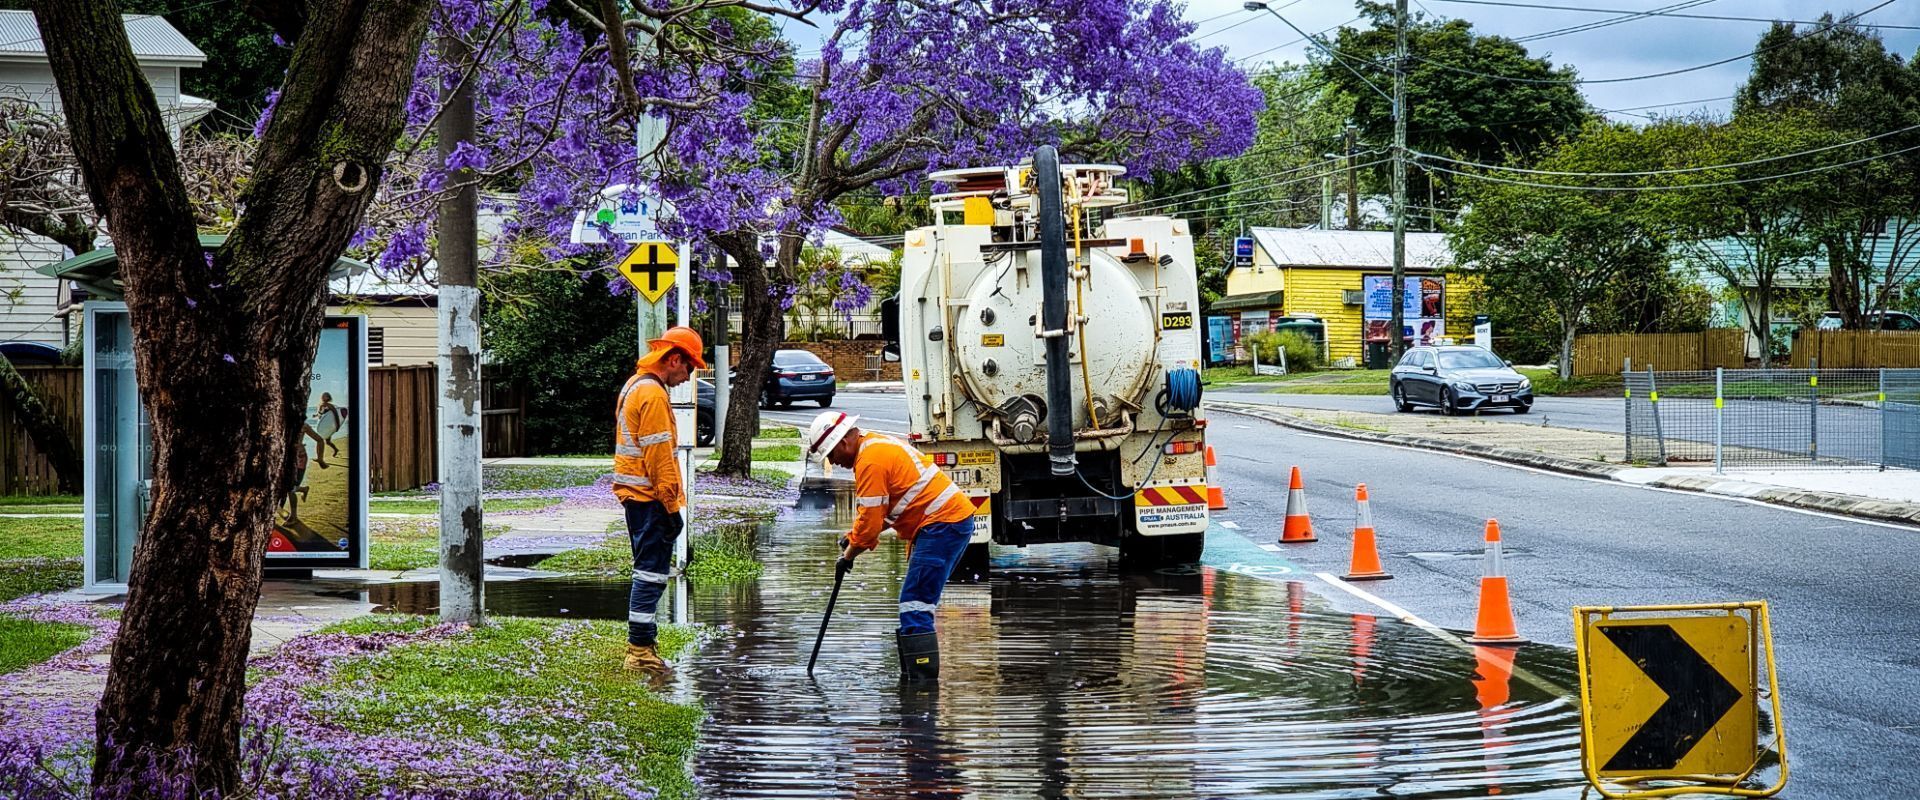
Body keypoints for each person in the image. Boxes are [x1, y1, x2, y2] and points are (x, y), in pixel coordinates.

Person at [805, 411, 975, 683]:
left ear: (843, 443)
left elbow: (871, 524)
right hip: (945, 524)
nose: (833, 462)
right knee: (916, 604)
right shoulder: (874, 446)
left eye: (831, 454)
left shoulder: (869, 461)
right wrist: (853, 537)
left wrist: (848, 556)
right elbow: (883, 512)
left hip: (941, 525)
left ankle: (921, 691)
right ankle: (912, 680)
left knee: (915, 605)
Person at [614, 326, 705, 679]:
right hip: (650, 499)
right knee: (650, 575)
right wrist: (672, 507)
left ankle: (644, 646)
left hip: (637, 497)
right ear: (675, 359)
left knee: (647, 572)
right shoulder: (651, 394)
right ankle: (639, 650)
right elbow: (660, 460)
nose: (688, 377)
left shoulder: (635, 385)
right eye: (690, 368)